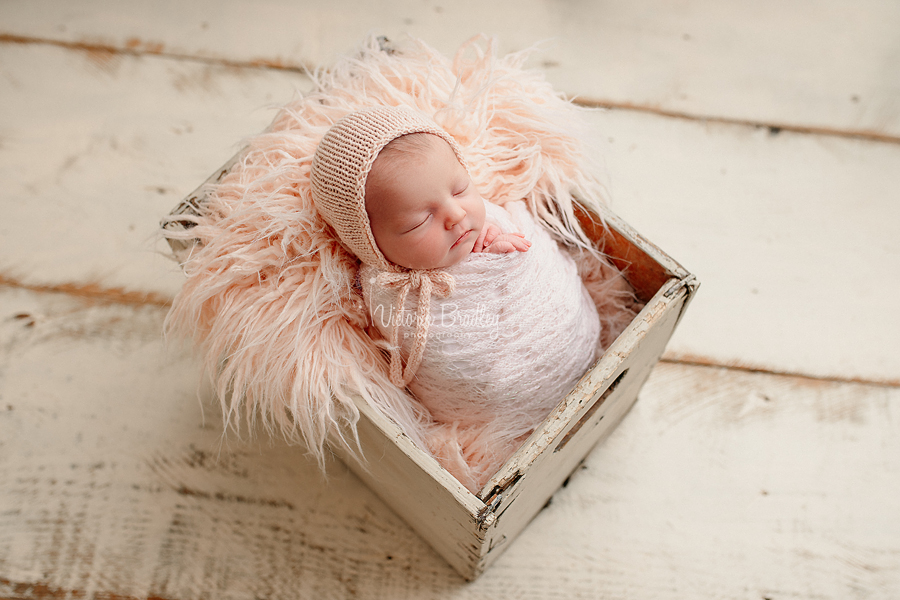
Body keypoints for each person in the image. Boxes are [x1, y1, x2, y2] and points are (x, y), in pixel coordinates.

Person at [311, 106, 603, 490]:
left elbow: (534, 256)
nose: (456, 214)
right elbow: (414, 344)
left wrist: (503, 249)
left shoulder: (492, 219)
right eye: (419, 221)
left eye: (461, 188)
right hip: (493, 412)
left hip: (579, 348)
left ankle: (568, 360)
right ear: (372, 243)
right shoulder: (390, 291)